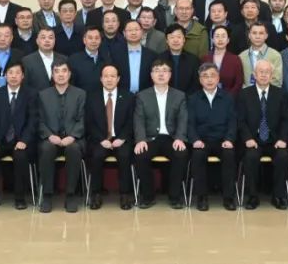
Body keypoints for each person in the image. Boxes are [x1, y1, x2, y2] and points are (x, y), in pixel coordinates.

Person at [132, 58, 189, 209]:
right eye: (157, 71)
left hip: (171, 138)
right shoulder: (142, 96)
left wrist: (180, 138)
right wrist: (140, 140)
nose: (161, 74)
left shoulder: (179, 95)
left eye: (164, 71)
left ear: (170, 75)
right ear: (151, 75)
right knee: (140, 155)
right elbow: (138, 119)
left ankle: (175, 197)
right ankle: (148, 196)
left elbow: (183, 119)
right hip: (150, 138)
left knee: (181, 154)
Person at [237, 60, 288, 209]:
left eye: (267, 72)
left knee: (283, 156)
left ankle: (278, 196)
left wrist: (282, 139)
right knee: (250, 157)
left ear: (272, 75)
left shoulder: (281, 94)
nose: (264, 75)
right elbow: (240, 120)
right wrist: (247, 138)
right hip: (253, 140)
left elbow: (286, 120)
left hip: (275, 140)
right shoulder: (244, 94)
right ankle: (252, 196)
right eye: (261, 71)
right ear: (254, 74)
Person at [0, 64, 37, 210]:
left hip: (21, 141)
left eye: (17, 73)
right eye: (10, 72)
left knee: (21, 156)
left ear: (22, 76)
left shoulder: (31, 94)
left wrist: (24, 140)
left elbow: (33, 121)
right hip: (0, 141)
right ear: (5, 75)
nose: (13, 76)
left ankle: (20, 198)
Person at [36, 61, 86, 213]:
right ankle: (47, 195)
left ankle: (70, 195)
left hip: (73, 138)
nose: (61, 74)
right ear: (52, 75)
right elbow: (39, 121)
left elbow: (83, 119)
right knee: (46, 149)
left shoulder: (80, 94)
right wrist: (49, 135)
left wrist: (73, 136)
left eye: (64, 71)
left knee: (73, 149)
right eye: (57, 71)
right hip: (51, 138)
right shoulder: (43, 95)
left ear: (69, 74)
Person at [186, 63, 238, 211]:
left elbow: (233, 122)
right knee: (197, 156)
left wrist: (229, 139)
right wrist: (195, 140)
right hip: (202, 140)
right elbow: (190, 123)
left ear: (218, 78)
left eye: (212, 76)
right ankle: (201, 197)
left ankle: (228, 197)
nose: (209, 79)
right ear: (200, 80)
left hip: (222, 140)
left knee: (229, 155)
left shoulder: (228, 98)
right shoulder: (193, 99)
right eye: (205, 76)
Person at [86, 64, 136, 210]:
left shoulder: (128, 97)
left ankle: (125, 194)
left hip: (121, 138)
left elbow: (131, 121)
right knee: (96, 156)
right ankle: (96, 193)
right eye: (106, 76)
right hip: (100, 139)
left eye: (113, 76)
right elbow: (89, 122)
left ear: (118, 79)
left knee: (125, 155)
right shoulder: (92, 97)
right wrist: (101, 139)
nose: (109, 79)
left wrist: (122, 138)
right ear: (101, 79)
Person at [203, 25, 244, 96]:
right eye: (217, 36)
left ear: (228, 40)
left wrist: (228, 98)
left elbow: (238, 83)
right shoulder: (205, 58)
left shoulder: (235, 59)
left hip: (229, 98)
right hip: (208, 96)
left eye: (223, 36)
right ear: (212, 39)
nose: (220, 39)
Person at [239, 22, 283, 87]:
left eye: (261, 33)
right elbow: (239, 80)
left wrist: (260, 89)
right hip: (247, 92)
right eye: (254, 33)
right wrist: (248, 91)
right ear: (249, 35)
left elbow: (277, 81)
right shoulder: (242, 56)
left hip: (268, 92)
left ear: (266, 36)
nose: (257, 36)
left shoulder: (275, 55)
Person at [22, 26, 65, 93]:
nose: (47, 40)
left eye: (50, 38)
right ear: (37, 41)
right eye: (43, 37)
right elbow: (24, 86)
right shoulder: (27, 61)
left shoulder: (64, 59)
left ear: (55, 41)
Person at [119, 19, 155, 95]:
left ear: (142, 32)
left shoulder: (152, 55)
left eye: (136, 30)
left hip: (145, 95)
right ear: (124, 33)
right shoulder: (116, 54)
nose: (133, 33)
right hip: (122, 95)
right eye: (130, 30)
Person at [160, 24, 199, 94]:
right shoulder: (159, 59)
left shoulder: (193, 60)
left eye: (179, 37)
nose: (175, 40)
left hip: (188, 98)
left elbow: (196, 85)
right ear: (167, 40)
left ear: (184, 39)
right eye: (172, 37)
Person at [69, 25, 110, 93]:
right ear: (84, 40)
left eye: (97, 38)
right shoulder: (74, 60)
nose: (94, 41)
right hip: (81, 98)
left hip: (101, 98)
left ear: (100, 40)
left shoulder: (106, 59)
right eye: (90, 38)